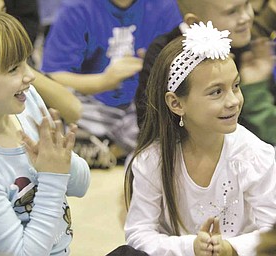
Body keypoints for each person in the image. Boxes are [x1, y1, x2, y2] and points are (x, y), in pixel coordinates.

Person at [124, 22, 276, 255]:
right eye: (216, 91)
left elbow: (271, 234)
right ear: (176, 103)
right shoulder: (152, 160)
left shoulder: (255, 155)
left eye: (235, 86)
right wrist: (191, 247)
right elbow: (138, 234)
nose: (234, 101)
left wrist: (229, 248)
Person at [0, 8, 90, 256]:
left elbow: (81, 185)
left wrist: (62, 161)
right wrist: (52, 176)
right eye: (12, 69)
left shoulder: (26, 104)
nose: (30, 76)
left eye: (27, 62)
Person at [41, 0, 183, 168]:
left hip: (145, 102)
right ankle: (111, 149)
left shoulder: (165, 6)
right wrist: (103, 81)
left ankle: (106, 150)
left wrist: (155, 65)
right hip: (92, 105)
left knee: (174, 116)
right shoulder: (76, 7)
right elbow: (52, 76)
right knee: (58, 116)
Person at [135, 0, 276, 147]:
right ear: (194, 22)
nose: (246, 16)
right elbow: (149, 126)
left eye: (247, 4)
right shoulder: (164, 55)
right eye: (232, 11)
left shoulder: (250, 49)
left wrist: (254, 89)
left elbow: (268, 134)